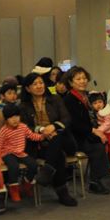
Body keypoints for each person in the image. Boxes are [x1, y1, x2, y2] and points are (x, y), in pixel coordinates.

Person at [62, 67, 110, 193]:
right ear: (70, 82)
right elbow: (75, 124)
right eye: (78, 79)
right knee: (98, 146)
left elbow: (100, 110)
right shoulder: (69, 99)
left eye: (84, 78)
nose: (83, 81)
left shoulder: (88, 95)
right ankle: (95, 182)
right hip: (77, 136)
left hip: (90, 131)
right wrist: (95, 131)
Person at [18, 73, 78, 207]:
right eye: (35, 84)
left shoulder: (55, 99)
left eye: (41, 83)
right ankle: (62, 192)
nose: (39, 86)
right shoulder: (23, 106)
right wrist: (41, 130)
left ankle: (47, 170)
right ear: (27, 88)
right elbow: (24, 126)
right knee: (58, 156)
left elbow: (67, 119)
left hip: (64, 140)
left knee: (57, 137)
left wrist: (53, 127)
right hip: (40, 143)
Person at [0, 103, 43, 202]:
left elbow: (32, 136)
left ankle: (26, 184)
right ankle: (14, 189)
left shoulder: (23, 127)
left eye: (17, 116)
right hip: (8, 153)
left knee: (33, 164)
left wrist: (42, 137)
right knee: (13, 166)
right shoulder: (3, 131)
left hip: (20, 152)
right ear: (6, 119)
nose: (15, 119)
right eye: (11, 117)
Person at [89, 91, 110, 175]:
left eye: (100, 102)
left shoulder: (107, 111)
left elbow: (108, 124)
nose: (98, 105)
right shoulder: (96, 112)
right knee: (103, 148)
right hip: (105, 132)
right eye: (95, 103)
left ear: (104, 102)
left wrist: (98, 130)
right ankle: (105, 165)